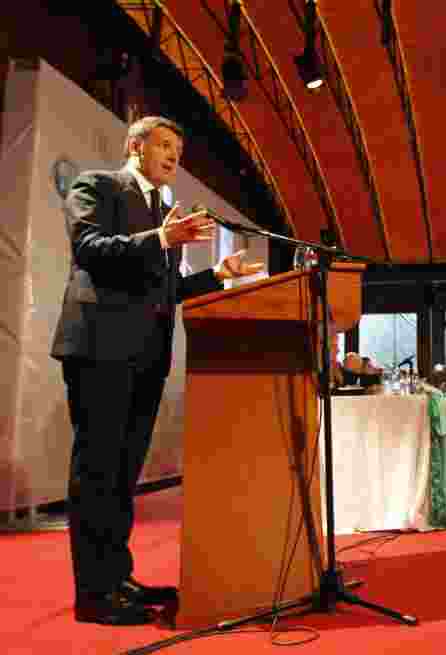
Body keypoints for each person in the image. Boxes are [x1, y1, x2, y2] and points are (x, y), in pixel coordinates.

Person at [50, 116, 263, 625]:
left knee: (123, 476)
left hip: (146, 357)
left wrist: (218, 275)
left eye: (178, 150)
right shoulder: (98, 186)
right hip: (100, 350)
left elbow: (166, 291)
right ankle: (93, 596)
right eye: (164, 145)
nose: (172, 156)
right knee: (97, 471)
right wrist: (163, 240)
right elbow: (91, 250)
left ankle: (116, 578)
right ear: (135, 146)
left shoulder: (163, 212)